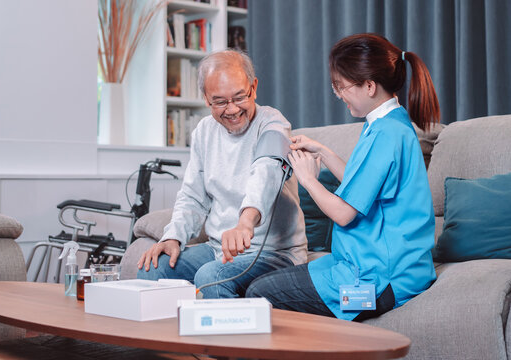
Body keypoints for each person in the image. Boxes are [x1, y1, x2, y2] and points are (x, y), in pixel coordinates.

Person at [246, 33, 440, 322]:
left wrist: (308, 178)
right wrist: (323, 151)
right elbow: (364, 185)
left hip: (379, 281)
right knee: (266, 284)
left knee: (260, 294)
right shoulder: (390, 123)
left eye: (341, 85)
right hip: (371, 265)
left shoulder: (385, 135)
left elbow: (344, 213)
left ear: (370, 86)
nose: (337, 93)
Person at [136, 49, 307, 298]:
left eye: (240, 97)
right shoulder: (203, 131)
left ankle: (231, 339)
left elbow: (266, 175)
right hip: (218, 249)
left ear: (254, 87)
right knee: (153, 268)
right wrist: (173, 237)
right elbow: (193, 196)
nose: (232, 110)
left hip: (273, 253)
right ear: (206, 98)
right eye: (220, 101)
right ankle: (170, 338)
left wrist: (245, 224)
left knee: (211, 276)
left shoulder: (274, 125)